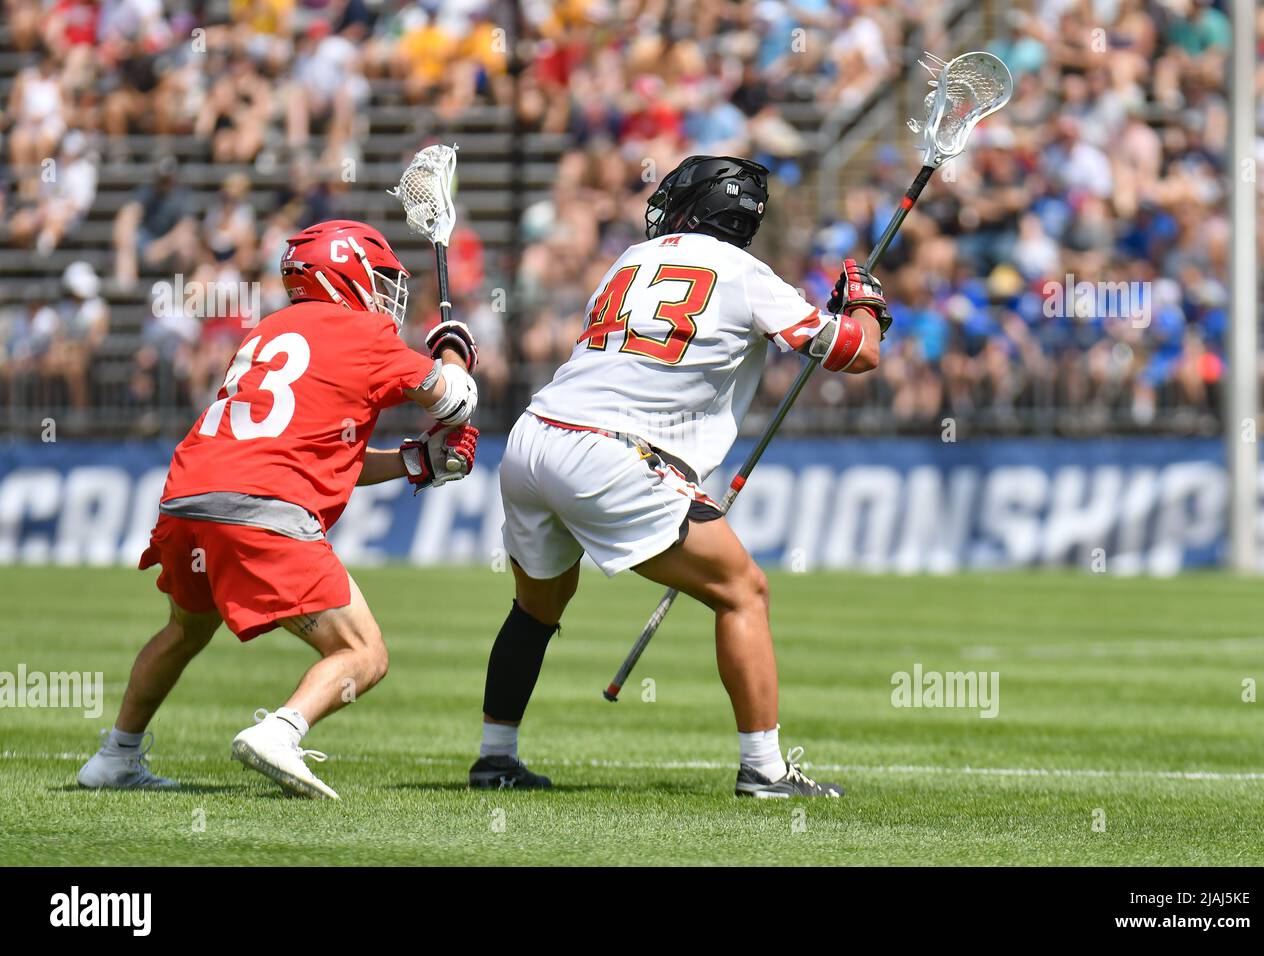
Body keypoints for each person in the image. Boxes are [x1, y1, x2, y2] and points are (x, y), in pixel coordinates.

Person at [472, 156, 890, 797]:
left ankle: (495, 758)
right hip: (612, 453)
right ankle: (765, 771)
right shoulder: (747, 273)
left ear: (695, 208)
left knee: (535, 607)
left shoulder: (629, 262)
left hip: (535, 438)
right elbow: (855, 354)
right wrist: (863, 309)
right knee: (742, 591)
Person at [78, 220, 483, 800]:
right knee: (362, 652)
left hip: (189, 496)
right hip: (263, 507)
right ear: (346, 275)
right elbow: (456, 399)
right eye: (381, 279)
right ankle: (281, 731)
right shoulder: (363, 333)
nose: (387, 293)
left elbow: (317, 447)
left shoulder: (266, 330)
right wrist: (454, 349)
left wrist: (413, 462)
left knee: (184, 631)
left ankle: (114, 756)